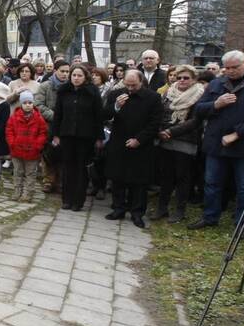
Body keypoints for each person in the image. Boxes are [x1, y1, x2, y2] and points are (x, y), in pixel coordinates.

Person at [190, 50, 244, 230]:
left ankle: (243, 223)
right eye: (227, 68)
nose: (231, 71)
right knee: (212, 182)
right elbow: (198, 110)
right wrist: (216, 105)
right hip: (217, 144)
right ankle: (210, 217)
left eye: (235, 67)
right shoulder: (216, 84)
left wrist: (236, 135)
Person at [104, 69, 163, 228]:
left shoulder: (153, 98)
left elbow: (155, 123)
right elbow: (105, 114)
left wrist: (139, 139)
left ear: (141, 82)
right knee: (118, 178)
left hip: (141, 145)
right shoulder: (116, 94)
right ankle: (118, 208)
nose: (130, 88)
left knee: (139, 182)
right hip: (119, 142)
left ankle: (137, 213)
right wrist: (116, 106)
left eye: (134, 85)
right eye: (127, 84)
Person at [153, 65, 205, 223]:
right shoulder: (169, 92)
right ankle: (162, 208)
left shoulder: (200, 95)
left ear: (194, 79)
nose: (181, 80)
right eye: (179, 77)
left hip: (186, 141)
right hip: (165, 139)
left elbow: (196, 120)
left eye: (186, 78)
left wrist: (172, 132)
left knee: (183, 177)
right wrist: (161, 130)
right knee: (166, 175)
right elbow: (161, 112)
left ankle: (180, 210)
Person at [51, 65, 104, 211]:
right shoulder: (64, 91)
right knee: (68, 167)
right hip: (67, 135)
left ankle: (78, 201)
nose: (76, 78)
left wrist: (99, 137)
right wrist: (55, 134)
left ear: (85, 77)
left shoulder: (92, 92)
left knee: (81, 168)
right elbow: (58, 115)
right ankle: (66, 199)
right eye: (74, 75)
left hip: (85, 136)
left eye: (79, 75)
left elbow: (98, 116)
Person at [36, 60, 71, 193]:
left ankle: (61, 181)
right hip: (49, 125)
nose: (65, 74)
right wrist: (56, 116)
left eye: (67, 71)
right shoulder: (45, 86)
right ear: (55, 70)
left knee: (63, 154)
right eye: (62, 71)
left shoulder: (70, 86)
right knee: (48, 155)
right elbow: (39, 105)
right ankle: (48, 181)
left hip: (66, 126)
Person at [7, 90, 47, 202]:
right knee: (18, 172)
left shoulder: (38, 117)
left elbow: (43, 132)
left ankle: (28, 193)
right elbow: (9, 130)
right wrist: (12, 143)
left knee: (30, 173)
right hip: (17, 150)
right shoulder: (14, 117)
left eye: (30, 102)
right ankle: (17, 191)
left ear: (33, 103)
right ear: (21, 104)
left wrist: (37, 145)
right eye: (25, 103)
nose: (28, 105)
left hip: (32, 151)